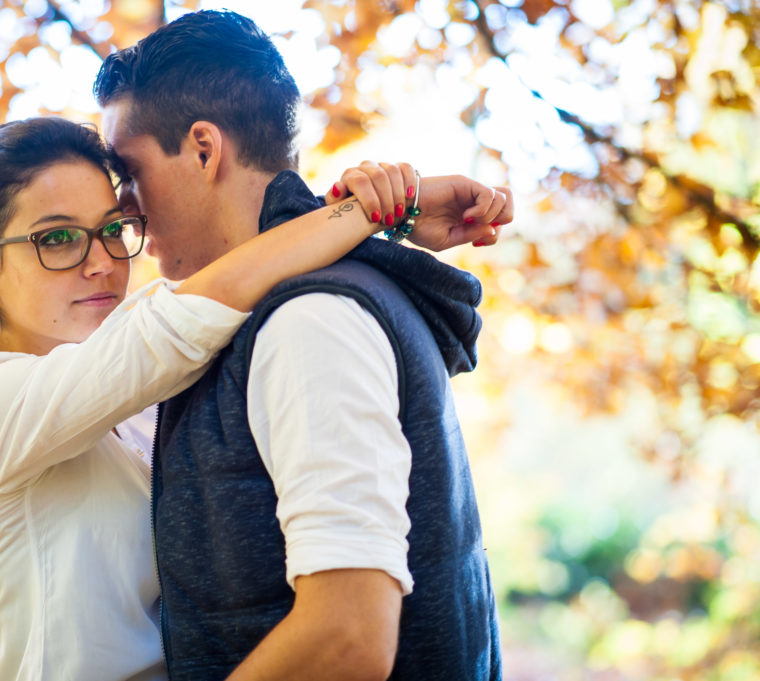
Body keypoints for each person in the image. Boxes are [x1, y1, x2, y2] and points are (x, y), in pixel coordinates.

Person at [0, 115, 451, 681]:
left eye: (113, 229)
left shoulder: (148, 392)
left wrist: (372, 207)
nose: (101, 262)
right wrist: (374, 209)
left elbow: (219, 277)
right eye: (58, 238)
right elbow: (184, 314)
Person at [94, 9, 510, 681]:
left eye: (131, 171)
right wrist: (369, 210)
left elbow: (347, 636)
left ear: (204, 149)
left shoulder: (307, 321)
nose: (124, 206)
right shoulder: (265, 307)